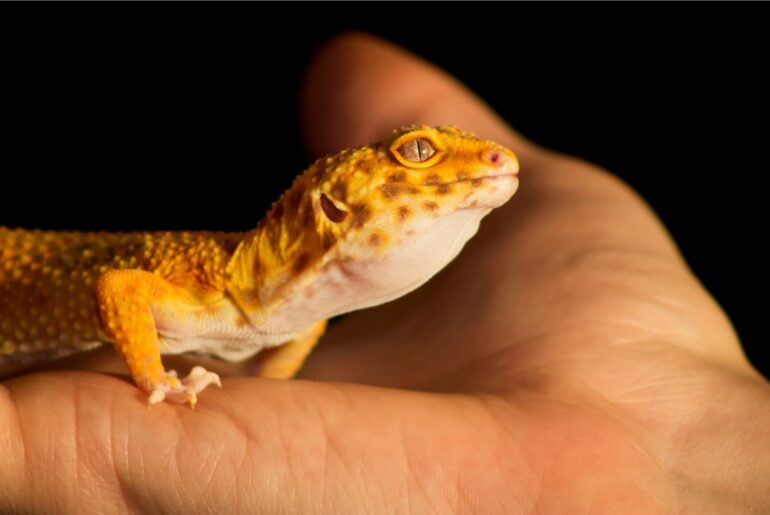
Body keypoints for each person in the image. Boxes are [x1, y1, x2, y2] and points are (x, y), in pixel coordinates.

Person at [1, 33, 768, 512]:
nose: (488, 161)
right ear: (335, 205)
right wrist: (155, 383)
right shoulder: (208, 288)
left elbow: (311, 322)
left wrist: (268, 392)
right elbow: (120, 288)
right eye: (420, 153)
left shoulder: (293, 311)